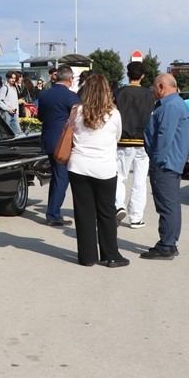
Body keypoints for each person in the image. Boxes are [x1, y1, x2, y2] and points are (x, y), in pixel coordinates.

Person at [67, 75, 128, 267]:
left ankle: (87, 257)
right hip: (104, 168)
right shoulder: (114, 114)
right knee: (106, 213)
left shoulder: (76, 111)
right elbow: (117, 137)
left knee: (83, 212)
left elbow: (69, 132)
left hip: (78, 166)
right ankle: (111, 255)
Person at [141, 74, 189, 260]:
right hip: (170, 162)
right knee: (171, 205)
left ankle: (167, 245)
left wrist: (155, 160)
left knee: (167, 206)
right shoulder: (174, 104)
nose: (153, 91)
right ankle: (169, 242)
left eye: (154, 87)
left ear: (161, 86)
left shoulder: (169, 106)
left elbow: (164, 137)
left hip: (165, 164)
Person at [38, 64, 81, 227]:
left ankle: (52, 210)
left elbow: (41, 117)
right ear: (70, 79)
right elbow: (77, 120)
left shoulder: (44, 95)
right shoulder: (71, 97)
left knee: (57, 177)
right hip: (63, 142)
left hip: (48, 140)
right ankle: (53, 214)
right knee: (62, 178)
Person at [114, 61, 154, 229]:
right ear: (143, 76)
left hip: (123, 140)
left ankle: (118, 206)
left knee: (119, 177)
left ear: (127, 73)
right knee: (140, 180)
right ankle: (136, 217)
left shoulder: (118, 93)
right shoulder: (150, 94)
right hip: (143, 141)